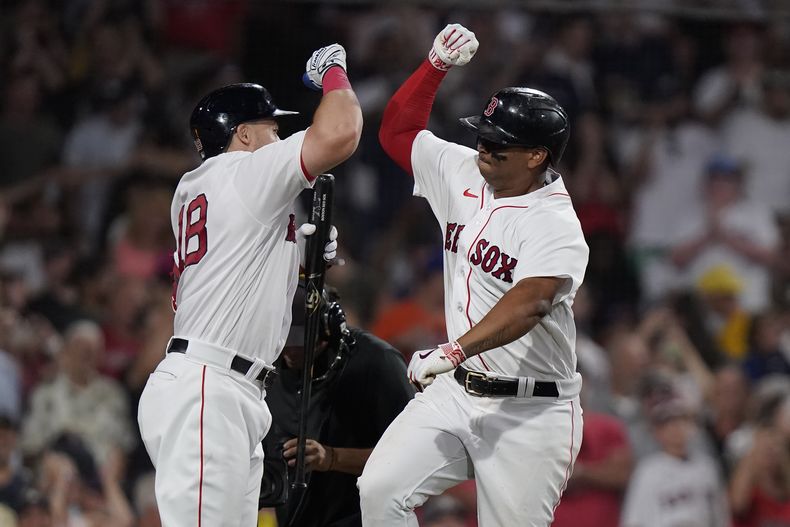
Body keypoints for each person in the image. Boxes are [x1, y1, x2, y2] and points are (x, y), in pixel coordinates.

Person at [361, 23, 589, 526]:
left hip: (531, 412)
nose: (483, 148)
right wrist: (434, 66)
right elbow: (397, 132)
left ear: (536, 156)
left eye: (497, 144)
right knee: (380, 491)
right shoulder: (464, 170)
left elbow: (531, 300)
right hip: (456, 391)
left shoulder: (555, 223)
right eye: (482, 137)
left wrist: (455, 348)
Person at [137, 43, 363, 526]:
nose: (280, 135)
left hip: (226, 387)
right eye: (272, 127)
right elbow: (341, 132)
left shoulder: (209, 186)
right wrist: (334, 73)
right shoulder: (242, 172)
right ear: (242, 134)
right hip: (207, 388)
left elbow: (239, 268)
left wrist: (299, 256)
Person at [262, 284, 415, 526]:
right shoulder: (267, 363)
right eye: (283, 338)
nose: (288, 348)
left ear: (328, 328)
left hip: (363, 518)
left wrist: (332, 457)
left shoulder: (377, 362)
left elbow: (412, 458)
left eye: (298, 340)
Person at [620, 396, 729, 527]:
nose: (676, 428)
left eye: (681, 421)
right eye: (668, 424)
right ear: (657, 432)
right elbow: (634, 520)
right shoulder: (647, 471)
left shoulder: (706, 467)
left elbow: (721, 517)